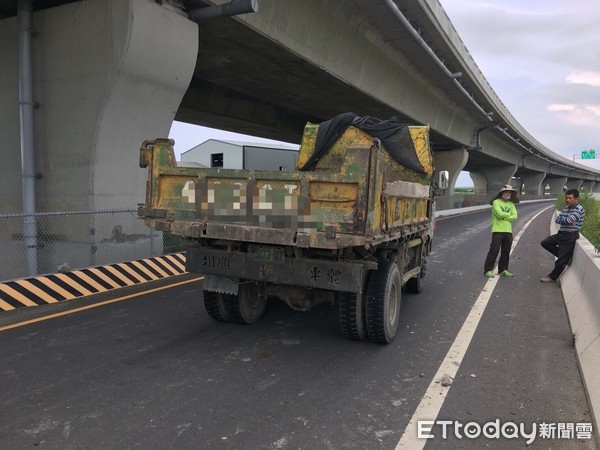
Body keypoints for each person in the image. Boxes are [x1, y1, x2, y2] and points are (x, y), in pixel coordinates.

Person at [540, 189, 585, 283]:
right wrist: (567, 219)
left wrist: (566, 219)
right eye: (566, 197)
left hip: (570, 236)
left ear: (576, 199)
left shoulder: (579, 209)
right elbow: (558, 220)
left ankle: (552, 277)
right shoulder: (566, 208)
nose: (567, 200)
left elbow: (567, 220)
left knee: (560, 261)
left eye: (570, 198)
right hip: (561, 234)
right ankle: (565, 258)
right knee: (545, 242)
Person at [483, 184, 519, 278]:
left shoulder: (511, 204)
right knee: (494, 250)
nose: (508, 193)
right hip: (497, 230)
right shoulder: (496, 202)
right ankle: (488, 270)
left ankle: (503, 270)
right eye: (507, 191)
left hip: (508, 231)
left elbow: (515, 216)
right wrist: (508, 216)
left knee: (506, 251)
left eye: (510, 192)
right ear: (502, 193)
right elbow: (499, 214)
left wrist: (504, 216)